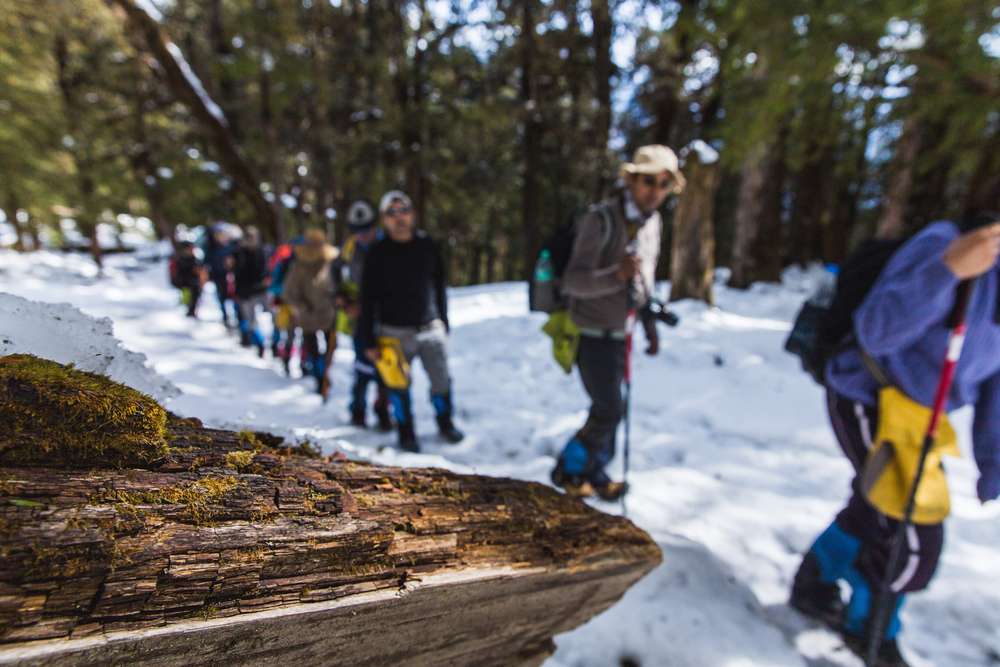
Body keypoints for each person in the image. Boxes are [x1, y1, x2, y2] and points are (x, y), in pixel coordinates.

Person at [790, 214, 1000, 667]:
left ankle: (815, 581)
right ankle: (871, 627)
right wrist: (946, 270)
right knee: (912, 531)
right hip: (868, 395)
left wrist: (994, 460)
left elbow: (995, 384)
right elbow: (877, 329)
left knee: (876, 507)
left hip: (918, 419)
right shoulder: (946, 242)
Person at [549, 145, 685, 501]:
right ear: (629, 180)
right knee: (608, 410)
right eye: (647, 180)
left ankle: (595, 471)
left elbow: (641, 284)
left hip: (620, 333)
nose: (654, 190)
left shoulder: (652, 222)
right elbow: (573, 282)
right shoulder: (601, 220)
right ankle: (569, 469)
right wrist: (616, 275)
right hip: (590, 333)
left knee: (613, 408)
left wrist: (649, 325)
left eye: (664, 183)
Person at [357, 190, 463, 452]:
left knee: (442, 381)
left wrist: (443, 320)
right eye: (392, 213)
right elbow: (367, 299)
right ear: (384, 219)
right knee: (398, 386)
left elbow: (438, 286)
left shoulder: (428, 246)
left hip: (430, 328)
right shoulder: (377, 253)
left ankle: (445, 423)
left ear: (412, 214)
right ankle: (406, 433)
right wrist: (367, 339)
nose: (399, 217)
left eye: (403, 210)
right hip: (392, 332)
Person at [336, 200, 392, 431]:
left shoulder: (389, 245)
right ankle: (358, 410)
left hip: (387, 317)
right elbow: (336, 281)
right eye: (357, 231)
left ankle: (383, 410)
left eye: (366, 230)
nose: (363, 235)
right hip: (359, 318)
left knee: (385, 367)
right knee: (362, 367)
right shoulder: (348, 251)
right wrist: (344, 302)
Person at [282, 229, 339, 394]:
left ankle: (325, 376)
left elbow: (337, 286)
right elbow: (290, 293)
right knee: (313, 351)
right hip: (308, 317)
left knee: (329, 349)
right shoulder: (298, 266)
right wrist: (302, 307)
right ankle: (320, 378)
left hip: (328, 314)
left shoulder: (329, 263)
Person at [232, 226, 270, 356]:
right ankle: (260, 343)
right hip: (248, 292)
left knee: (260, 320)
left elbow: (263, 272)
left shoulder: (260, 251)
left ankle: (262, 343)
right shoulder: (240, 252)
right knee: (252, 321)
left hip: (257, 291)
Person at [201, 223, 239, 329]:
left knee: (234, 298)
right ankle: (225, 317)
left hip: (231, 277)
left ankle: (237, 318)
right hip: (218, 276)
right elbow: (206, 262)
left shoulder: (231, 247)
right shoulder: (211, 248)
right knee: (221, 297)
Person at [168, 241, 205, 318]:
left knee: (194, 298)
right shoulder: (181, 259)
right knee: (188, 300)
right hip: (186, 283)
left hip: (193, 283)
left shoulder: (193, 258)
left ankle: (191, 312)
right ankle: (189, 313)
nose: (192, 250)